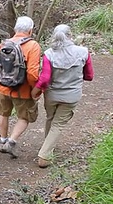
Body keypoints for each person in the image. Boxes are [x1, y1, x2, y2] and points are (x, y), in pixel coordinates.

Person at [31, 24, 94, 168]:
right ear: (70, 35)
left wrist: (36, 91)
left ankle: (48, 146)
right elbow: (89, 76)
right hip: (71, 96)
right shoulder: (83, 52)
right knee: (58, 124)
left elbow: (45, 78)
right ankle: (44, 156)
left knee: (50, 118)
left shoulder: (49, 54)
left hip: (52, 95)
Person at [0, 16, 42, 157]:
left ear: (15, 29)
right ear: (30, 31)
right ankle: (11, 142)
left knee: (3, 113)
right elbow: (32, 73)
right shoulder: (33, 46)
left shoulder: (3, 45)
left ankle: (2, 140)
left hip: (2, 87)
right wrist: (34, 90)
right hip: (22, 91)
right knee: (24, 117)